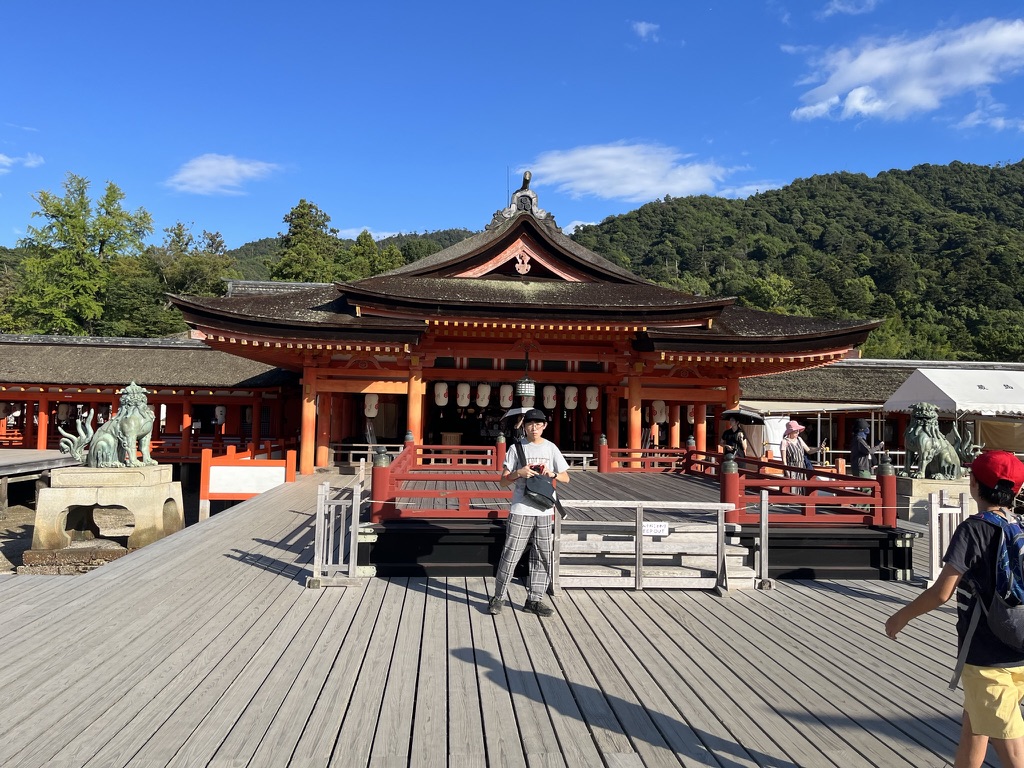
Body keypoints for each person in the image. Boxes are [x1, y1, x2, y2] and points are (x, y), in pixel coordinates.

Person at [885, 450, 1024, 768]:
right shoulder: (1019, 527)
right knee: (975, 729)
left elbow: (941, 593)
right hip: (1019, 648)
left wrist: (899, 617)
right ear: (1015, 490)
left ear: (973, 483)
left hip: (988, 659)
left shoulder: (973, 530)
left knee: (1012, 749)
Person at [490, 408, 570, 617]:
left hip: (544, 510)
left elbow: (565, 478)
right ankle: (498, 596)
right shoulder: (516, 448)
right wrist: (519, 473)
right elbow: (502, 481)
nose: (534, 428)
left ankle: (534, 599)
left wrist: (551, 472)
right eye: (530, 424)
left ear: (545, 426)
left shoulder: (551, 448)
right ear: (524, 426)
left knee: (542, 555)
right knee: (511, 553)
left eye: (538, 424)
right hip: (521, 509)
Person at [780, 419, 821, 494]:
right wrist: (787, 471)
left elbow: (808, 451)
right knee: (793, 489)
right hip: (791, 467)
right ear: (790, 432)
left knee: (802, 488)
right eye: (796, 431)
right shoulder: (784, 442)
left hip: (802, 467)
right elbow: (784, 460)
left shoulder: (799, 439)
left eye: (798, 431)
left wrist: (818, 448)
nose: (797, 433)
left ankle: (801, 503)